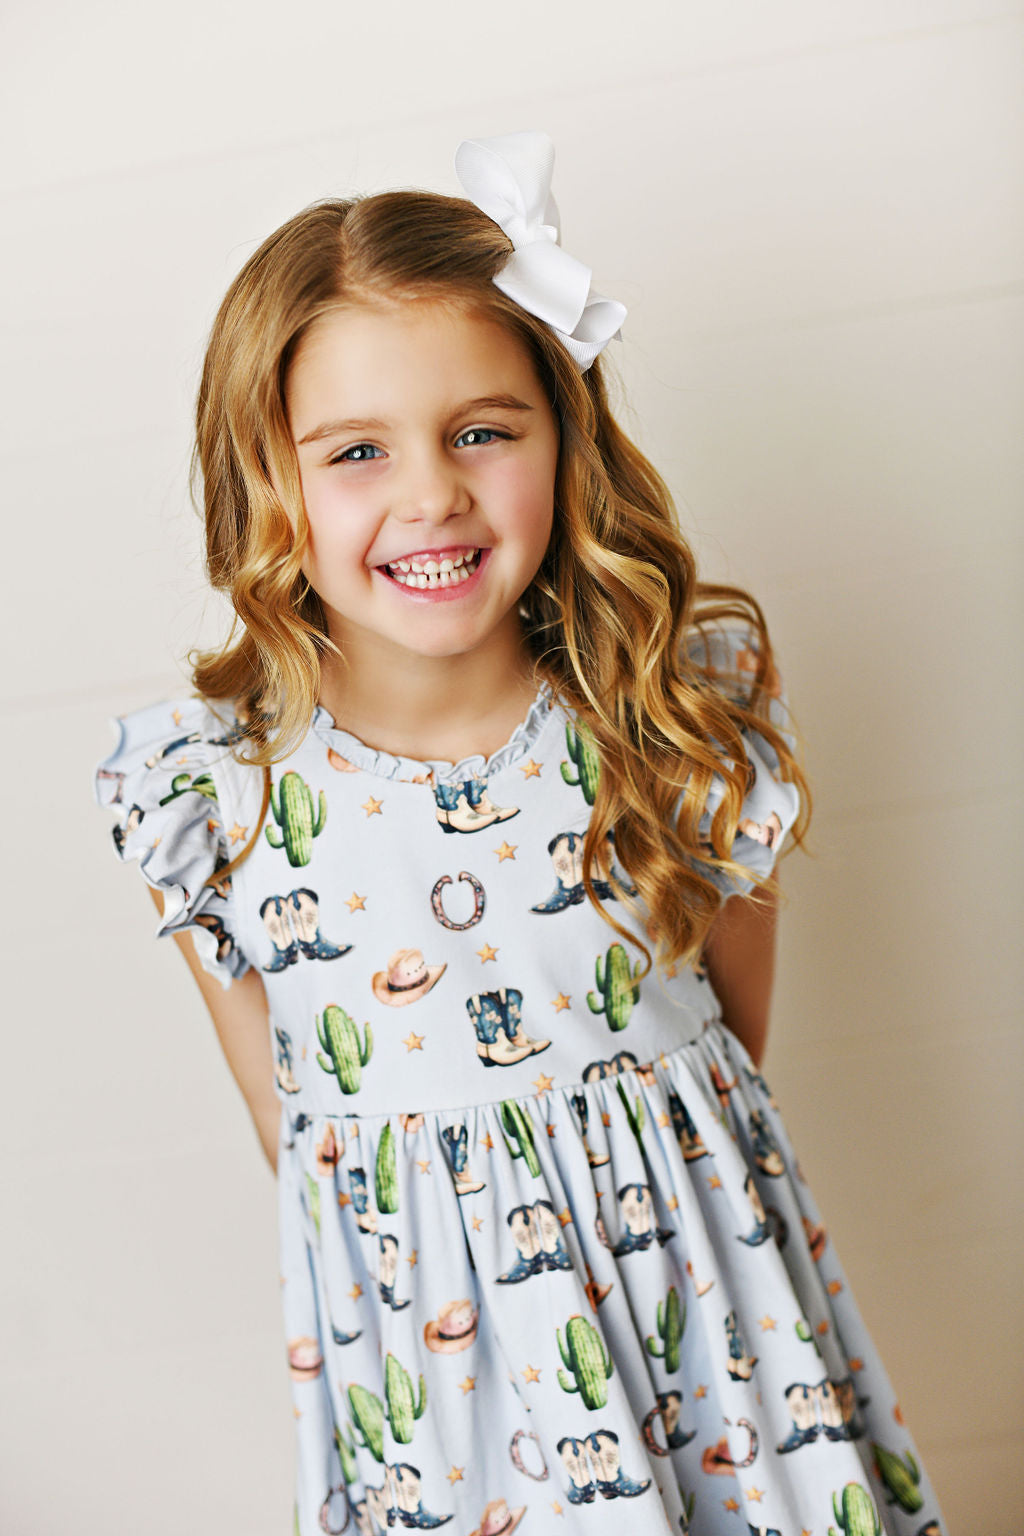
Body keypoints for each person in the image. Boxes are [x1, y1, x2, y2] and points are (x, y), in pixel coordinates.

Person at [93, 131, 945, 1534]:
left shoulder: (678, 719)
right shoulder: (214, 800)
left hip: (718, 1358)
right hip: (454, 1421)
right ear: (266, 481)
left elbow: (727, 1056)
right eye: (356, 451)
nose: (431, 492)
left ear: (565, 432)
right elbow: (299, 1140)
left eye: (483, 431)